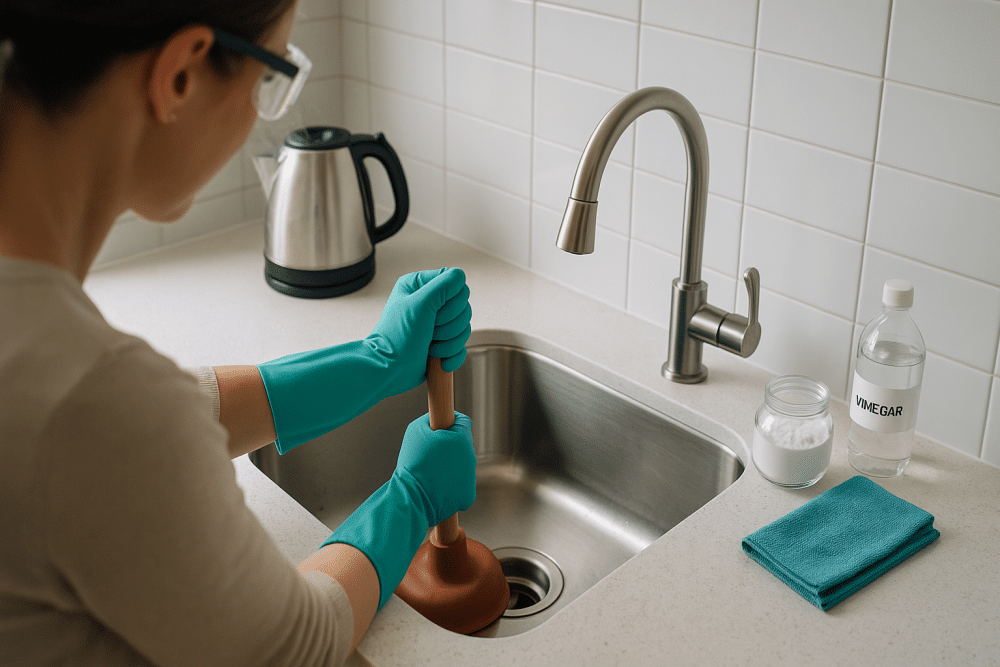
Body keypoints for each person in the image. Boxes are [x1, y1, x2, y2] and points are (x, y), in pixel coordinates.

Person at [0, 2, 476, 665]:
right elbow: (297, 645)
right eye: (267, 78)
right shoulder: (89, 401)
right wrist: (411, 499)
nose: (259, 112)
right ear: (180, 76)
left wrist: (375, 361)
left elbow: (153, 418)